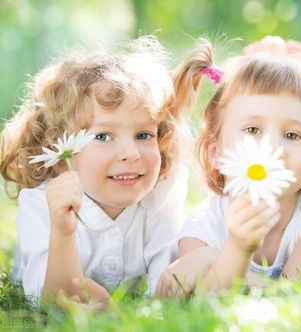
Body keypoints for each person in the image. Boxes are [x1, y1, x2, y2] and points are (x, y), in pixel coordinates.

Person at [0, 35, 204, 309]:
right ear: (61, 154)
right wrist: (62, 230)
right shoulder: (40, 203)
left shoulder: (162, 191)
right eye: (103, 136)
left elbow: (166, 282)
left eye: (144, 134)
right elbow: (47, 303)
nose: (131, 153)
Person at [155, 39, 301, 297]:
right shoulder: (202, 227)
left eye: (292, 135)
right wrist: (237, 246)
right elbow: (206, 302)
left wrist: (219, 258)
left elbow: (298, 298)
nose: (271, 147)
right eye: (253, 130)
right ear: (216, 153)